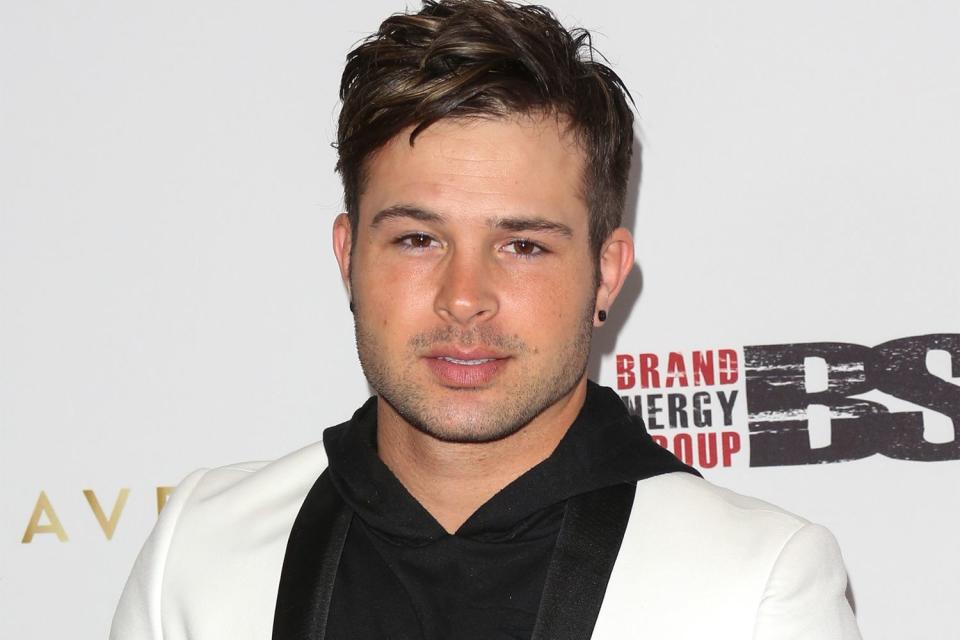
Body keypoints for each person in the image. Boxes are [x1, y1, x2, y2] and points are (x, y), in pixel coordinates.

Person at [111, 1, 862, 638]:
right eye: (417, 239)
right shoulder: (201, 550)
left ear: (606, 270)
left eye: (524, 245)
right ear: (348, 257)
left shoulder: (755, 585)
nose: (464, 296)